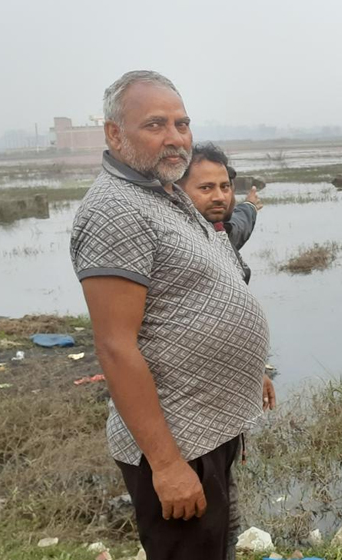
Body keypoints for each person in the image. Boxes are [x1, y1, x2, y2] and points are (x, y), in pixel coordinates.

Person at [69, 70, 275, 560]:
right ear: (114, 133)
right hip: (179, 443)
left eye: (182, 124)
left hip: (209, 431)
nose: (175, 137)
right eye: (155, 125)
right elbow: (116, 347)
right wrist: (166, 466)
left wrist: (254, 369)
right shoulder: (116, 210)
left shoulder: (166, 194)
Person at [177, 142, 263, 282]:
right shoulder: (173, 238)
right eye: (205, 188)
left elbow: (238, 226)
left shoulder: (219, 232)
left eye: (225, 187)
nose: (220, 197)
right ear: (177, 190)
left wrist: (250, 206)